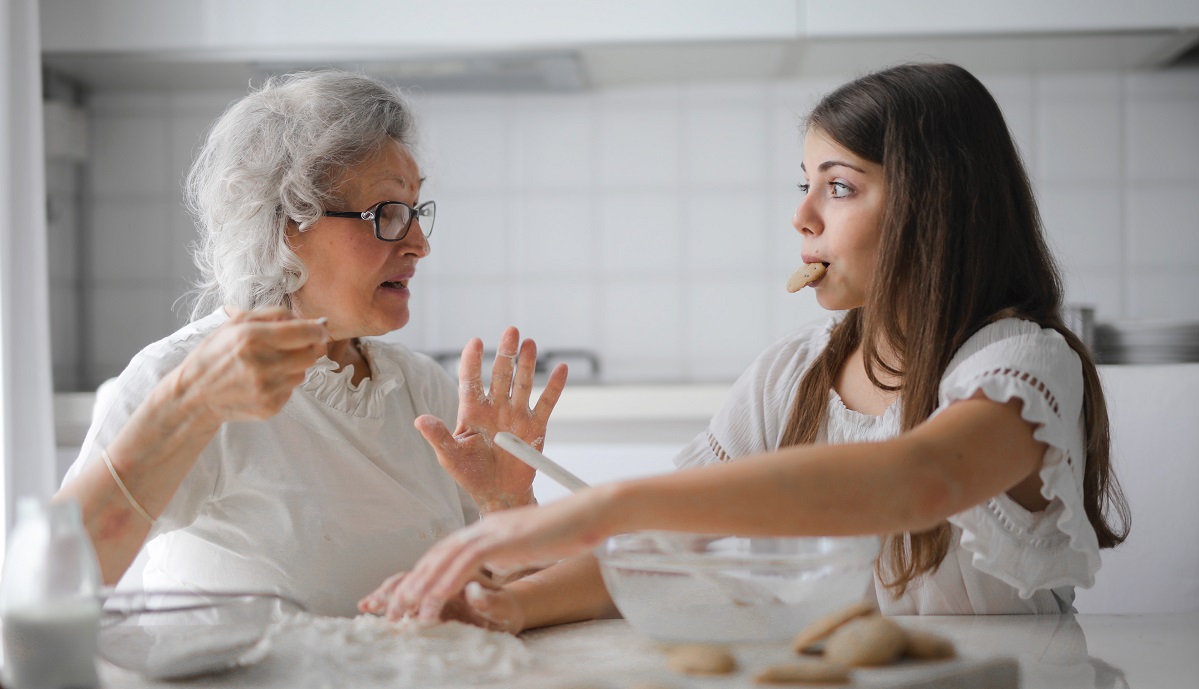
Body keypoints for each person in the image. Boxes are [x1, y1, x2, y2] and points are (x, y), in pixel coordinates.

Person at [360, 63, 1131, 627]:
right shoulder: (790, 374)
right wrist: (510, 604)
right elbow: (663, 547)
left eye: (837, 186)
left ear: (935, 206)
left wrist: (610, 501)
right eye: (803, 183)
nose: (800, 216)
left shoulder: (1021, 365)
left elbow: (918, 478)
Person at [55, 71, 567, 617]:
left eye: (416, 212)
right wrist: (186, 408)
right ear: (282, 226)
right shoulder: (180, 375)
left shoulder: (420, 389)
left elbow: (504, 605)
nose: (419, 244)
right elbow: (55, 579)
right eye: (387, 215)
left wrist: (507, 505)